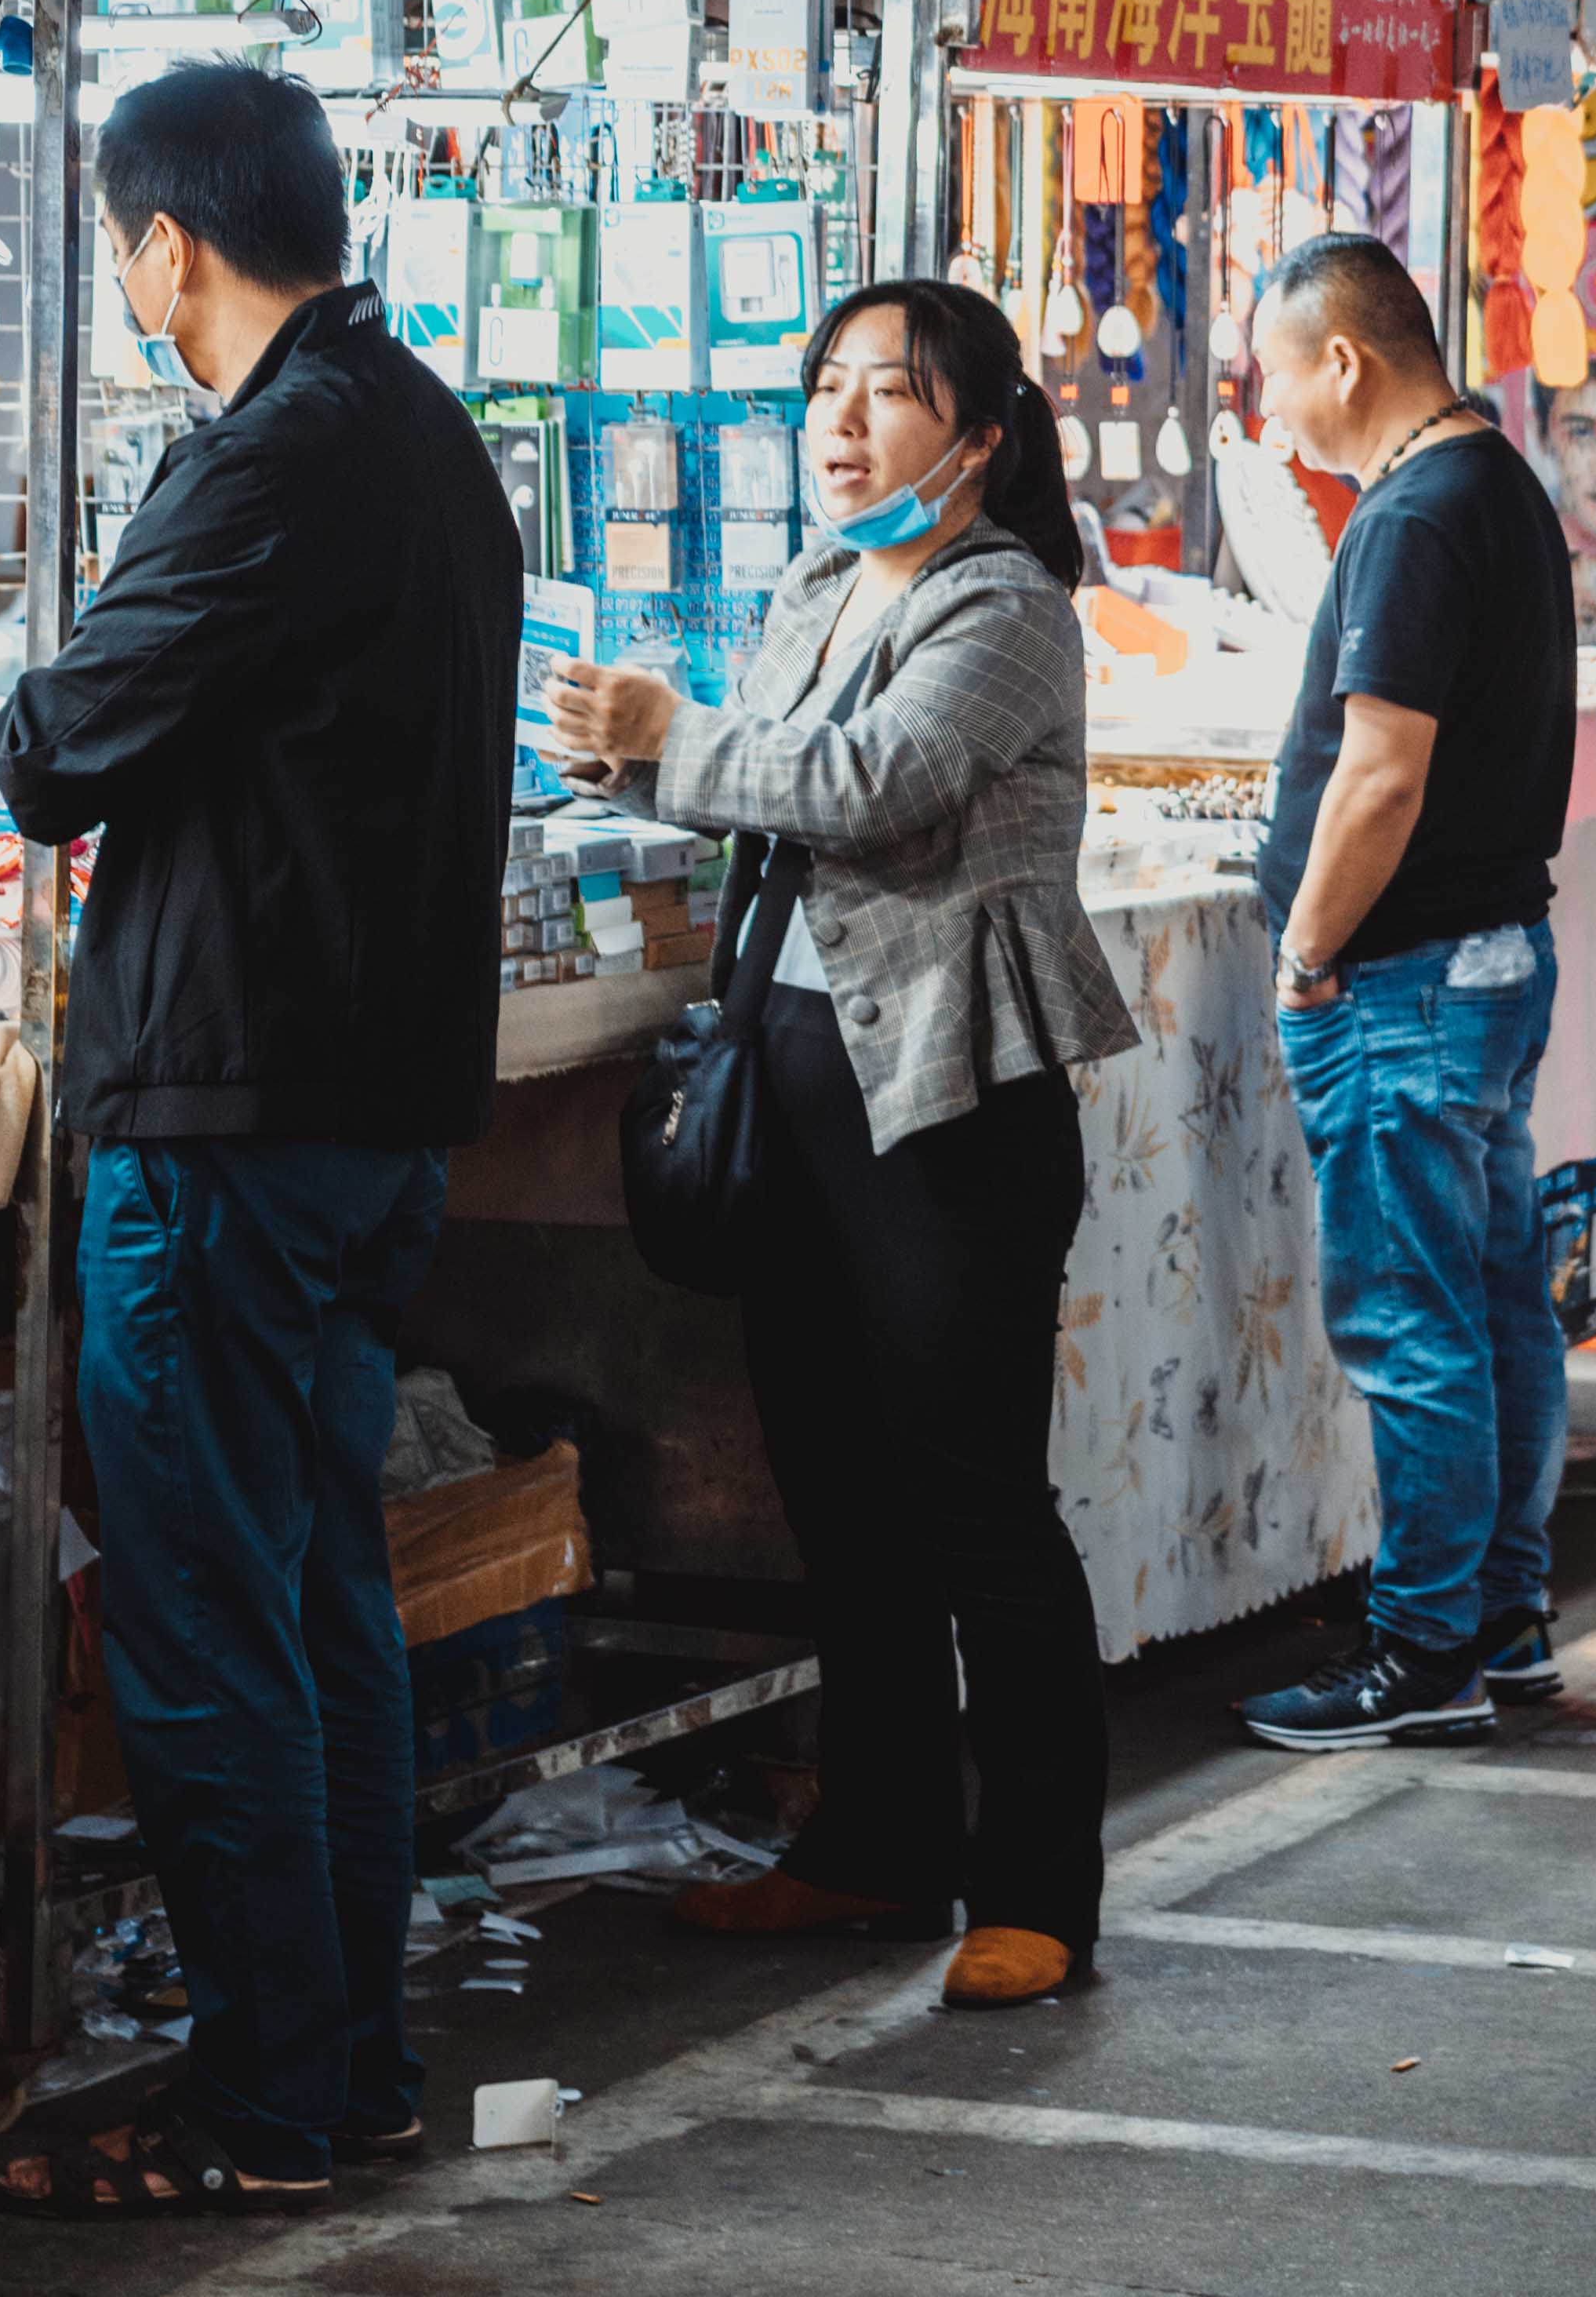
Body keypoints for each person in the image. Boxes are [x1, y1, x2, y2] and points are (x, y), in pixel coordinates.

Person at [0, 66, 511, 2215]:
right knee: (317, 1602)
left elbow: (50, 749)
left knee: (216, 1625)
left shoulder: (274, 456)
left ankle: (270, 2105)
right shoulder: (420, 429)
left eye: (123, 251)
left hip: (232, 1118)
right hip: (364, 1113)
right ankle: (347, 2070)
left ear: (165, 247)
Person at [540, 282, 1140, 2008]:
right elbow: (761, 785)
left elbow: (874, 780)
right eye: (826, 387)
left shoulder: (1009, 604)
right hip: (799, 1068)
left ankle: (1038, 1884)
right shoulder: (815, 583)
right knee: (838, 1492)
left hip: (951, 1087)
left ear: (981, 434)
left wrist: (679, 740)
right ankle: (874, 1850)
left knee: (972, 1497)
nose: (842, 420)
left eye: (890, 391)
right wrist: (624, 758)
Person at [1227, 234, 1583, 1752]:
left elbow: (1380, 773)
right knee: (1494, 1298)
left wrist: (1307, 951)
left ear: (1344, 361)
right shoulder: (1492, 479)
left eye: (1272, 371)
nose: (1269, 405)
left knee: (1413, 1314)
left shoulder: (1417, 511)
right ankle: (1500, 1613)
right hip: (1483, 957)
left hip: (1410, 976)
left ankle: (1423, 1644)